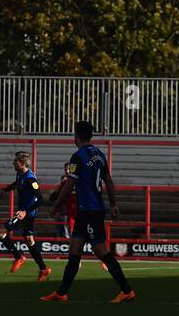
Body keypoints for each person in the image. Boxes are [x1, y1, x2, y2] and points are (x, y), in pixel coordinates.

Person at [40, 121, 134, 303]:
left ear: (78, 136)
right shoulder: (99, 154)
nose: (73, 137)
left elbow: (70, 184)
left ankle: (127, 290)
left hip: (90, 210)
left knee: (101, 252)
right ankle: (61, 293)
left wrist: (56, 205)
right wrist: (113, 204)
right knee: (74, 250)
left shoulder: (78, 156)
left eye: (74, 134)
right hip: (89, 210)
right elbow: (108, 180)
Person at [0, 152, 50, 280]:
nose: (13, 164)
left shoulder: (30, 179)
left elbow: (41, 199)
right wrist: (7, 189)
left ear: (21, 164)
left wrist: (26, 211)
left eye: (15, 162)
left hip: (27, 214)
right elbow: (17, 183)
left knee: (0, 231)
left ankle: (18, 257)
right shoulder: (20, 174)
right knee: (29, 241)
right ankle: (44, 269)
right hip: (24, 213)